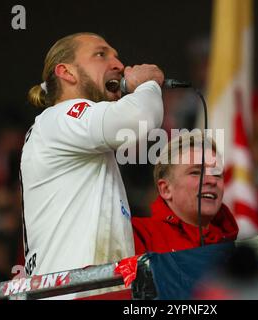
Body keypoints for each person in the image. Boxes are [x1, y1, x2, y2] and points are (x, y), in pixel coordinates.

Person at [21, 32, 164, 276]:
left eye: (116, 57)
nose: (119, 65)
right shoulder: (60, 116)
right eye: (101, 54)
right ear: (66, 72)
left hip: (89, 287)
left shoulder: (69, 132)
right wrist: (147, 83)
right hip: (75, 291)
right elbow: (139, 119)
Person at [132, 133, 239, 254]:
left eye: (217, 174)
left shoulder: (238, 248)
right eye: (196, 172)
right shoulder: (136, 236)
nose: (212, 181)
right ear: (165, 189)